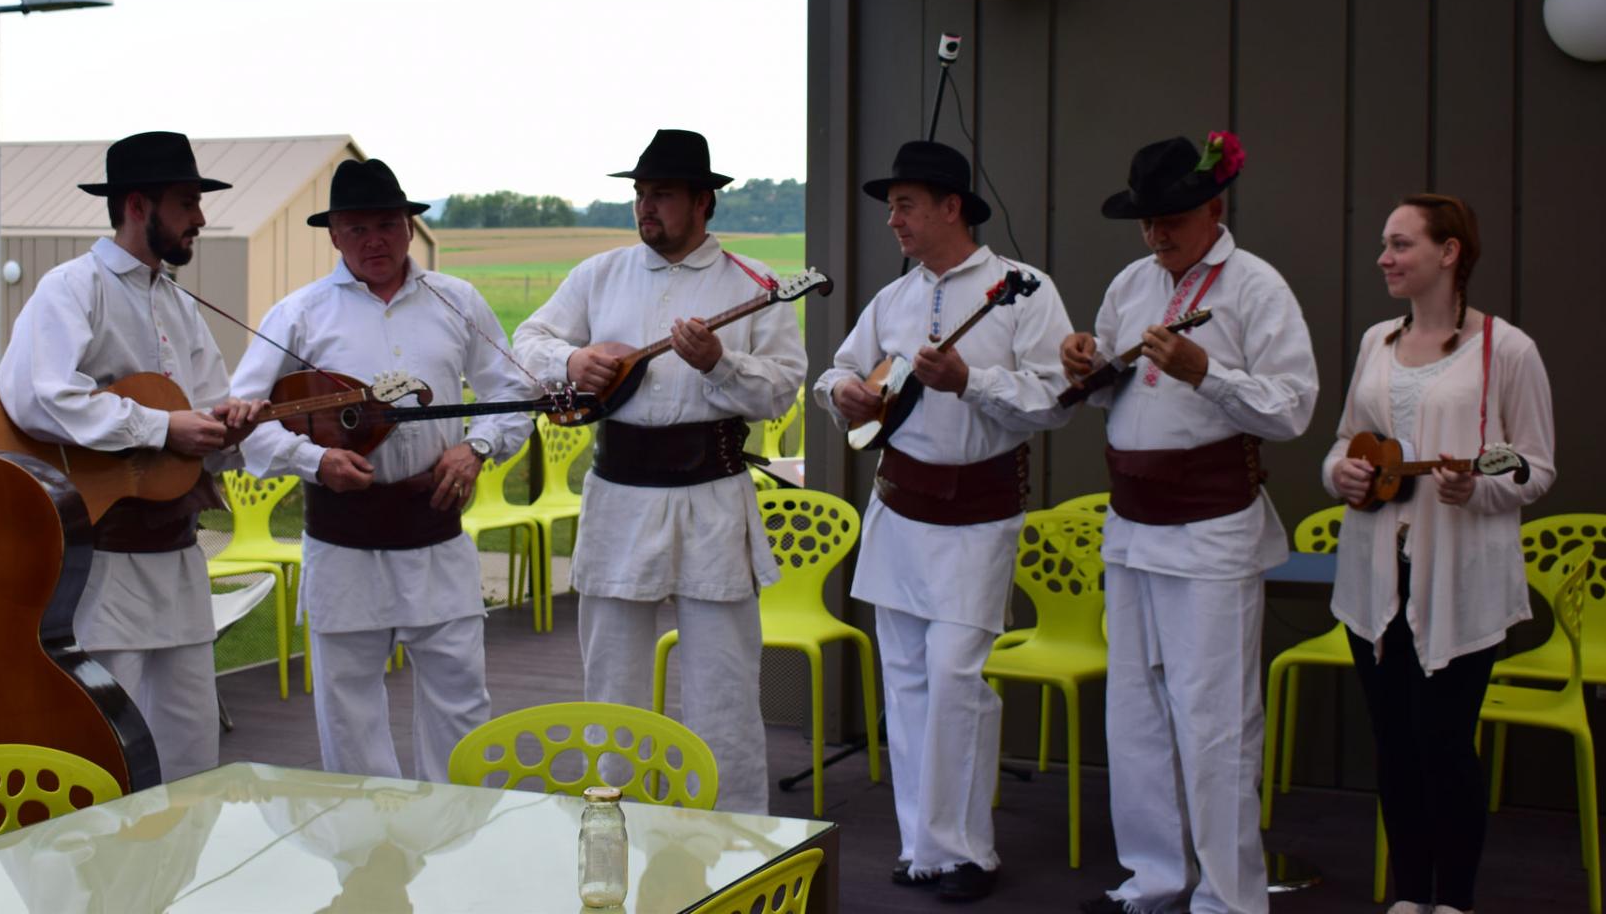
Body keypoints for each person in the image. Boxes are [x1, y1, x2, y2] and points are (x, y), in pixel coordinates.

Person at [513, 129, 805, 814]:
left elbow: (781, 389)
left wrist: (719, 363)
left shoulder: (754, 284)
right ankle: (613, 822)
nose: (646, 207)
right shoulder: (599, 275)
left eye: (663, 194)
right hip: (619, 494)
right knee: (612, 683)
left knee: (723, 686)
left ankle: (735, 838)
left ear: (704, 202)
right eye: (641, 194)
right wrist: (571, 361)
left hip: (713, 495)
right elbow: (526, 342)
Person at [1062, 132, 1318, 914]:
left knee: (1214, 720)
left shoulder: (1255, 287)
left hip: (1211, 527)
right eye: (1146, 220)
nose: (1156, 233)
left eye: (1170, 218)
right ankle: (1154, 878)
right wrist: (1085, 366)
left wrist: (1208, 373)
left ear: (1215, 206)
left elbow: (1293, 409)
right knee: (1135, 712)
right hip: (1133, 521)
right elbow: (1117, 389)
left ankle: (1228, 897)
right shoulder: (1131, 283)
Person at [815, 140, 1073, 904]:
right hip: (899, 509)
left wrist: (972, 381)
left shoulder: (1023, 291)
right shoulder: (893, 299)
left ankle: (968, 852)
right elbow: (839, 368)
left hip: (979, 513)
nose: (892, 220)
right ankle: (922, 848)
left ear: (951, 207)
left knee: (957, 677)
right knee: (906, 682)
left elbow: (1056, 399)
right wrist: (843, 394)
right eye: (891, 206)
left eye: (905, 205)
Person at [233, 157, 534, 780]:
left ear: (408, 226)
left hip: (435, 531)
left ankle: (457, 826)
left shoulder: (457, 301)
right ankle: (364, 832)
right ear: (334, 235)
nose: (375, 240)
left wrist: (477, 447)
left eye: (387, 225)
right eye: (357, 228)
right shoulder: (299, 314)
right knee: (349, 709)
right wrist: (316, 460)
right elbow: (247, 421)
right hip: (343, 543)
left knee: (460, 700)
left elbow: (512, 394)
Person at [0, 131, 264, 782]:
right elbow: (39, 396)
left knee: (192, 751)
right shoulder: (71, 287)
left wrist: (229, 430)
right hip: (102, 568)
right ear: (138, 205)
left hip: (180, 560)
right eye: (186, 202)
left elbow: (207, 408)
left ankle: (182, 853)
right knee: (109, 751)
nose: (200, 217)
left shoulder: (178, 302)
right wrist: (161, 427)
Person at [1323, 195, 1554, 914]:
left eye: (1401, 244)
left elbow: (1536, 466)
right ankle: (1409, 896)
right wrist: (1340, 474)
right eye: (1385, 245)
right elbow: (1344, 441)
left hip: (1458, 583)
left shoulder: (1507, 350)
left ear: (1449, 252)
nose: (1384, 258)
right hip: (1374, 580)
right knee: (1394, 744)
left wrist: (1478, 490)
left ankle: (1454, 901)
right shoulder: (1375, 342)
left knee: (1444, 745)